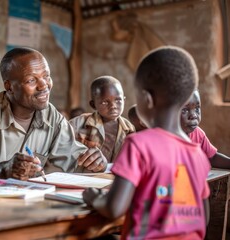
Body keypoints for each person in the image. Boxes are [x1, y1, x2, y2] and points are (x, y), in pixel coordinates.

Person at [83, 46, 211, 239]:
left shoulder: (138, 144)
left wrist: (93, 198)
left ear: (147, 99)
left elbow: (114, 208)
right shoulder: (198, 154)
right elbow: (205, 216)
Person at [0, 47, 107, 190]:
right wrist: (3, 169)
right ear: (9, 87)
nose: (43, 85)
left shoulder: (51, 116)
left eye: (46, 76)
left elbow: (76, 162)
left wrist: (97, 162)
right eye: (31, 80)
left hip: (27, 202)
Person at [69, 76, 135, 163]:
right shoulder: (79, 123)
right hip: (85, 174)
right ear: (93, 105)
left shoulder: (130, 129)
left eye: (118, 100)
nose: (113, 106)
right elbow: (60, 143)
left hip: (114, 175)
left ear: (124, 100)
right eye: (105, 102)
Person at [181, 89, 230, 169]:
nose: (194, 116)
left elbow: (212, 157)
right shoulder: (164, 139)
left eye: (197, 108)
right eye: (185, 110)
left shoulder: (198, 134)